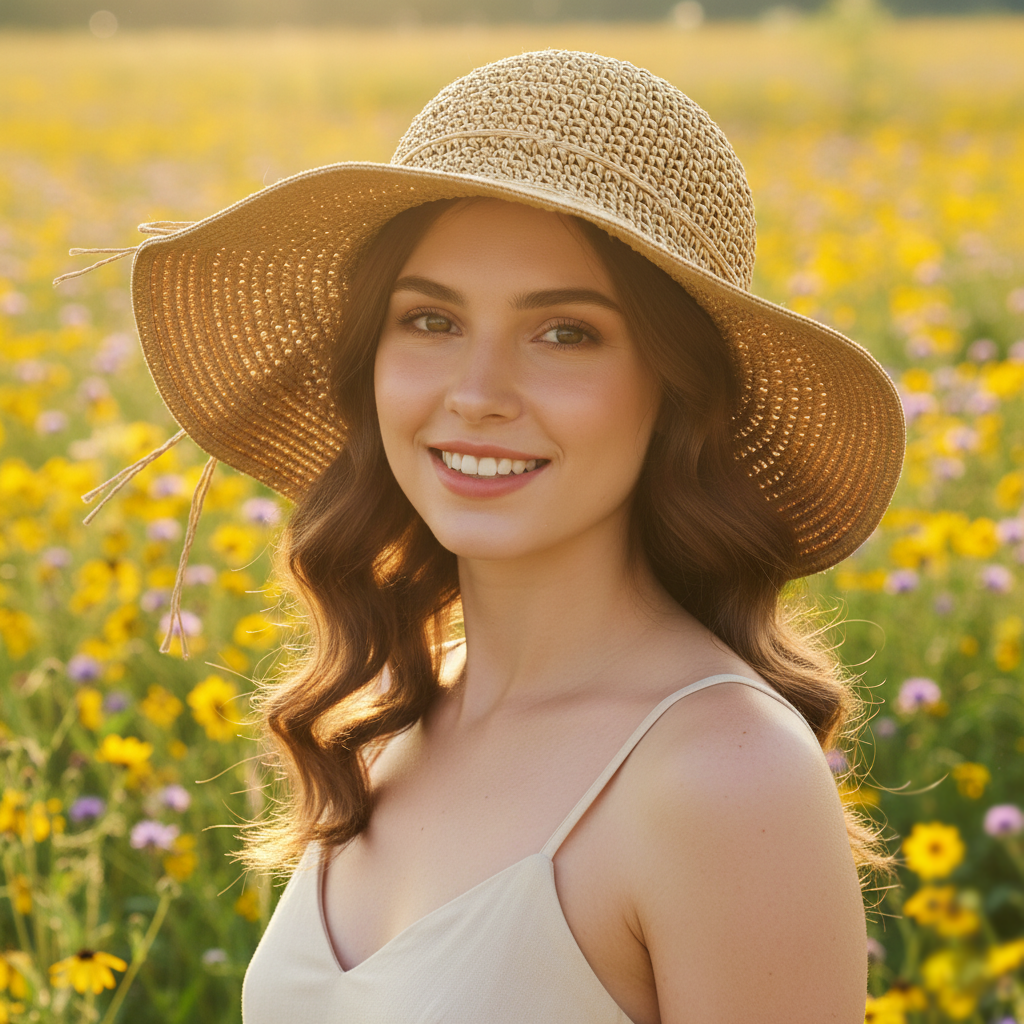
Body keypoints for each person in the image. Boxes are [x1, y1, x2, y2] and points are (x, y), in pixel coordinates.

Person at [70, 49, 904, 1024]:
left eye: (564, 334)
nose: (475, 394)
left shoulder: (725, 777)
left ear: (674, 393)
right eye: (429, 319)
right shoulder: (392, 713)